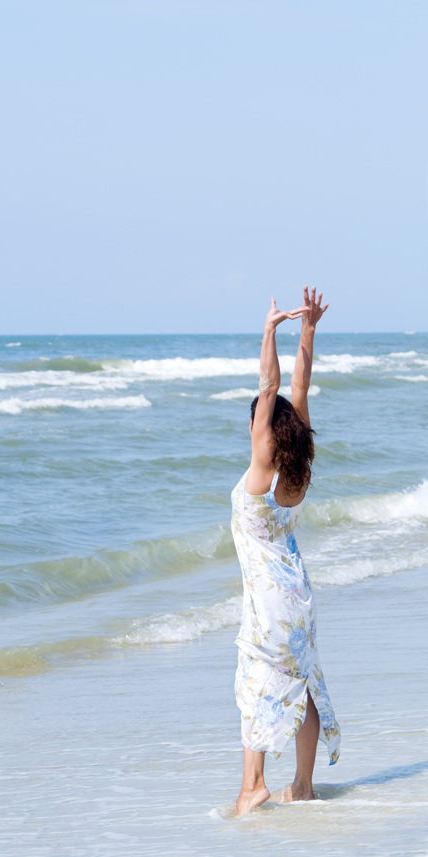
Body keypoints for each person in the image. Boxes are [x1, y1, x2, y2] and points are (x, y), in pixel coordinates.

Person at [230, 286, 341, 816]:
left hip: (267, 604)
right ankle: (303, 784)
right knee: (305, 682)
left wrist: (270, 328)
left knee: (256, 680)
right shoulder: (298, 470)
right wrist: (310, 329)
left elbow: (272, 384)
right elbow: (297, 386)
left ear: (264, 429)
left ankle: (254, 785)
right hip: (299, 594)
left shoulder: (259, 472)